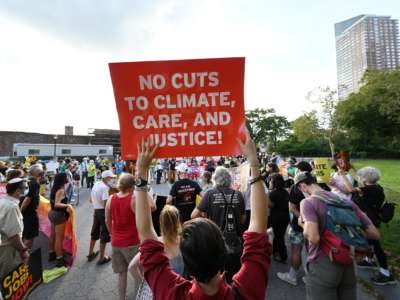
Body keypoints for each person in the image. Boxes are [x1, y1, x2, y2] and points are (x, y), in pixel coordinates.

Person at [134, 134, 271, 299]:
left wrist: (141, 173)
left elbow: (146, 235)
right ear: (222, 251)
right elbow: (258, 226)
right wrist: (254, 164)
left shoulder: (171, 293)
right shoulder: (248, 290)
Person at [296, 171, 380, 299]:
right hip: (349, 260)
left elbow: (313, 238)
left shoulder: (308, 202)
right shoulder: (346, 201)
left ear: (302, 185)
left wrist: (302, 225)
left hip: (323, 262)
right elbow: (374, 234)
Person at [191, 166, 246, 282]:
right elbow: (242, 220)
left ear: (215, 178)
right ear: (229, 179)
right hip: (235, 241)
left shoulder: (210, 194)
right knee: (234, 275)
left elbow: (193, 215)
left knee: (218, 275)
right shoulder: (238, 194)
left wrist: (207, 221)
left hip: (215, 240)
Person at [129, 205, 184, 298]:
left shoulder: (155, 244)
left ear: (161, 223)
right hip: (178, 290)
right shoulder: (185, 242)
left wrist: (146, 282)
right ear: (178, 222)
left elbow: (132, 267)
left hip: (160, 291)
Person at [354, 167, 395, 285]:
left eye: (362, 176)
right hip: (373, 218)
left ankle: (385, 273)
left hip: (370, 220)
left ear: (366, 178)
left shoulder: (368, 189)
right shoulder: (377, 187)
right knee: (370, 242)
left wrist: (339, 178)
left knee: (376, 245)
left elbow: (349, 189)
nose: (360, 178)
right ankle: (369, 260)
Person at [105, 173, 141, 300]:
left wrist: (112, 233)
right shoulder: (134, 199)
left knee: (122, 273)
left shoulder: (111, 198)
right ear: (131, 186)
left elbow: (107, 220)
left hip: (116, 242)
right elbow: (140, 221)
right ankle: (141, 296)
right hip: (132, 242)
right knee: (138, 272)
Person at [277, 161, 313, 285]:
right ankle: (310, 277)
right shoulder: (316, 185)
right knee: (311, 251)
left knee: (296, 250)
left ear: (300, 171)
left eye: (297, 169)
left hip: (298, 225)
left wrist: (303, 219)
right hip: (314, 225)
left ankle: (292, 276)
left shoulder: (296, 187)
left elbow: (292, 208)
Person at [0, 177, 29, 279]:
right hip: (8, 249)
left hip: (4, 246)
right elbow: (14, 236)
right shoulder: (11, 207)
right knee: (8, 278)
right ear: (17, 191)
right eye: (25, 188)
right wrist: (23, 250)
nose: (26, 190)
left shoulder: (3, 200)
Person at [87, 170, 116, 265]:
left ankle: (90, 253)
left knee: (94, 231)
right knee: (104, 233)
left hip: (96, 210)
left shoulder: (96, 184)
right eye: (111, 178)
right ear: (106, 178)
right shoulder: (104, 188)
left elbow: (90, 200)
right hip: (102, 212)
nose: (112, 179)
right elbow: (106, 205)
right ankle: (102, 258)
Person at [48, 173, 73, 267]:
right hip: (58, 215)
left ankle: (52, 254)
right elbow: (57, 204)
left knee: (53, 234)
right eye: (66, 177)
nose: (68, 178)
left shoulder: (54, 188)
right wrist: (68, 205)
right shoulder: (61, 190)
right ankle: (59, 259)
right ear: (63, 179)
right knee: (59, 238)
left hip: (52, 213)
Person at [19, 164, 43, 249]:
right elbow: (28, 199)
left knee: (24, 234)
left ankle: (20, 256)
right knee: (29, 237)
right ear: (38, 173)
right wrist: (20, 212)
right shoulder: (34, 184)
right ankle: (24, 256)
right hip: (29, 213)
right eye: (41, 172)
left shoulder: (25, 181)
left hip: (24, 212)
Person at [268, 173, 290, 263]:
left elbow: (270, 205)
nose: (270, 182)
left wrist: (266, 197)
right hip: (285, 217)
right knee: (278, 235)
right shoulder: (285, 192)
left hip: (277, 218)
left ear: (274, 182)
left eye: (271, 181)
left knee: (279, 237)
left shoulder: (273, 193)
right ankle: (275, 252)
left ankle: (283, 256)